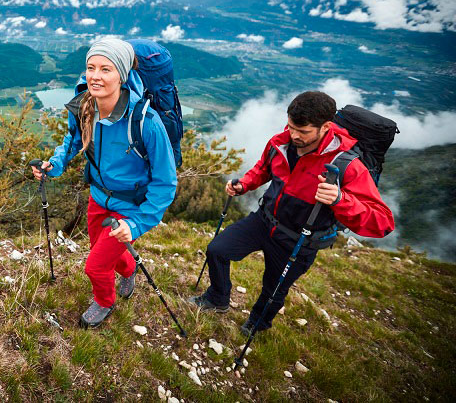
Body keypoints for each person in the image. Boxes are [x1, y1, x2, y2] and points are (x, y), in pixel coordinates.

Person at [190, 91, 394, 334]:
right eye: (291, 126)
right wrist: (244, 184)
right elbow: (263, 169)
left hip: (299, 240)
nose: (294, 135)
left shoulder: (347, 165)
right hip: (264, 221)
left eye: (303, 131)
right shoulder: (281, 142)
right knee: (217, 250)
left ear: (326, 127)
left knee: (274, 288)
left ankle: (257, 324)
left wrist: (340, 199)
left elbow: (382, 222)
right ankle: (217, 298)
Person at [32, 38, 177, 328]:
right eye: (90, 68)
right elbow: (73, 140)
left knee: (95, 266)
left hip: (130, 208)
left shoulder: (146, 122)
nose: (95, 76)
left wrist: (136, 224)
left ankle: (104, 301)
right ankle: (129, 269)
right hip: (98, 198)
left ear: (122, 75)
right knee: (105, 249)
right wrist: (55, 164)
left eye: (105, 69)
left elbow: (166, 183)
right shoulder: (86, 106)